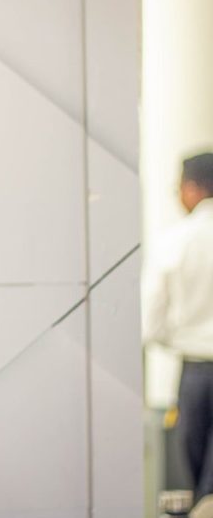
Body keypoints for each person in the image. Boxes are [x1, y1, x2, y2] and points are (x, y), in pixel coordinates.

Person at [144, 152, 213, 504]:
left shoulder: (174, 240)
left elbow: (152, 321)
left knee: (199, 472)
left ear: (192, 188)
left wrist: (180, 339)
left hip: (197, 370)